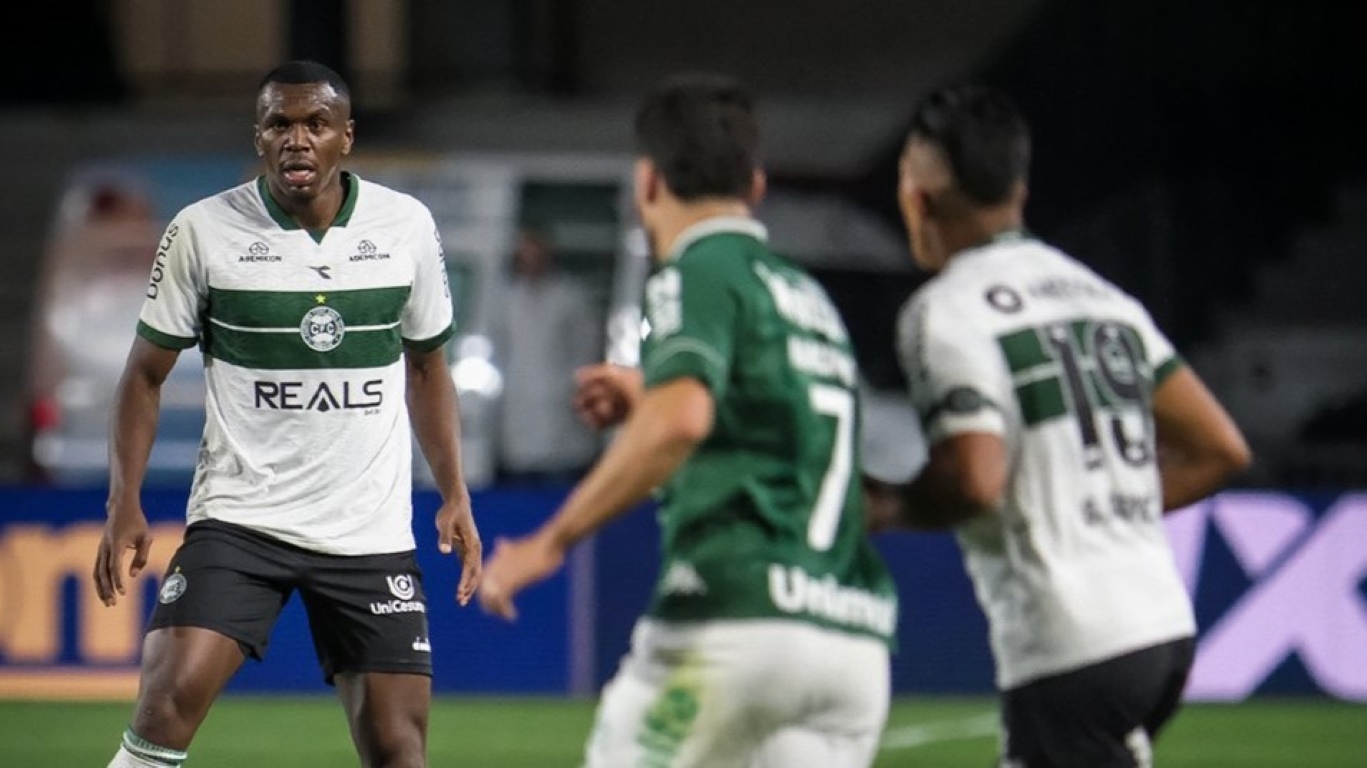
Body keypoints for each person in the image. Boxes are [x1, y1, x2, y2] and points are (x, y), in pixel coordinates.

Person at [477, 74, 899, 767]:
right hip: (849, 639)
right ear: (755, 186)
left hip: (737, 629)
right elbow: (775, 419)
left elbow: (681, 422)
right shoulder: (805, 296)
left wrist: (549, 542)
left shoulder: (697, 270)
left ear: (647, 181)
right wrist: (652, 390)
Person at [92, 60, 483, 768]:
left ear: (346, 137)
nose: (297, 139)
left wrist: (454, 490)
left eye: (316, 124)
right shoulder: (202, 231)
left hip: (367, 533)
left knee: (398, 749)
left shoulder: (405, 226)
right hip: (241, 521)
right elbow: (143, 376)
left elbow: (428, 367)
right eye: (280, 124)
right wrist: (125, 501)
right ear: (259, 137)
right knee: (166, 702)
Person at [865, 83, 1253, 767]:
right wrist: (1099, 508)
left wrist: (889, 506)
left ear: (917, 199)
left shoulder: (947, 311)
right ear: (1018, 188)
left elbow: (974, 480)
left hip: (1071, 642)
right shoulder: (1102, 299)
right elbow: (1218, 449)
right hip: (1161, 626)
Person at [491, 227, 602, 485]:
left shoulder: (571, 296)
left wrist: (570, 387)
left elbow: (586, 348)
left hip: (561, 410)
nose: (530, 260)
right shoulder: (507, 298)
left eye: (536, 253)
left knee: (559, 484)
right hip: (517, 408)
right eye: (525, 254)